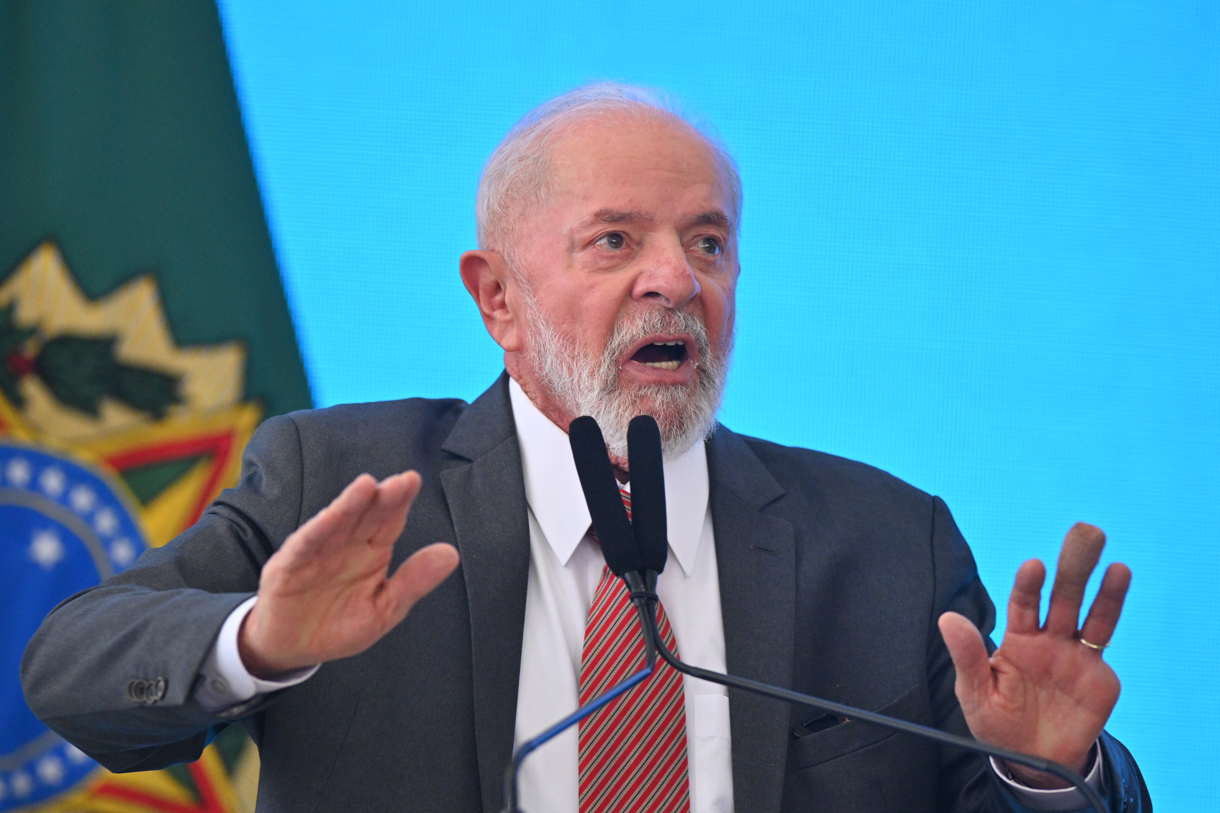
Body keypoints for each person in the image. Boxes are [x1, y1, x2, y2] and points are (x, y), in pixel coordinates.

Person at [22, 83, 1149, 813]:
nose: (675, 278)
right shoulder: (343, 486)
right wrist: (260, 641)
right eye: (615, 241)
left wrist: (1040, 773)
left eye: (706, 241)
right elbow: (70, 669)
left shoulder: (881, 541)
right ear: (497, 298)